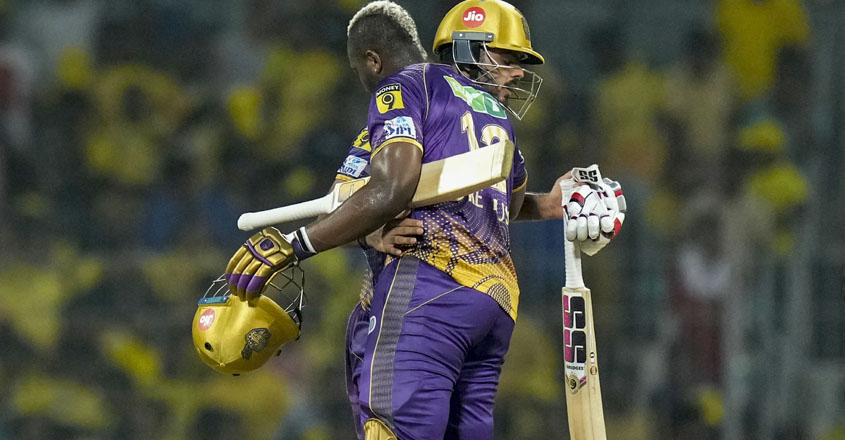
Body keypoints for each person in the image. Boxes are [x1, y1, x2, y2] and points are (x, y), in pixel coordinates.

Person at [225, 1, 625, 438]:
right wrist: (548, 204)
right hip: (495, 304)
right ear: (469, 48)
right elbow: (501, 205)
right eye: (509, 59)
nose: (517, 73)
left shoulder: (407, 86)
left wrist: (297, 244)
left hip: (431, 285)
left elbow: (379, 191)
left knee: (392, 428)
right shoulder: (498, 118)